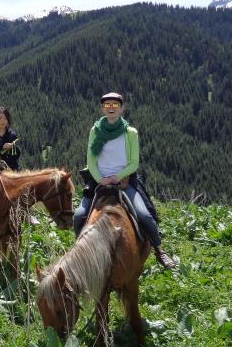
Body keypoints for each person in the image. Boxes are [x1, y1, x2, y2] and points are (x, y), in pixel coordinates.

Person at [73, 92, 176, 269]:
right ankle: (80, 253)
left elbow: (134, 163)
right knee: (78, 216)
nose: (111, 108)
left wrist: (117, 177)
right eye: (107, 105)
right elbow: (91, 160)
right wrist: (100, 179)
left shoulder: (130, 133)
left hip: (124, 180)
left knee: (144, 215)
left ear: (122, 108)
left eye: (115, 105)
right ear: (102, 108)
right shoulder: (95, 131)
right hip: (100, 181)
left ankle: (159, 249)